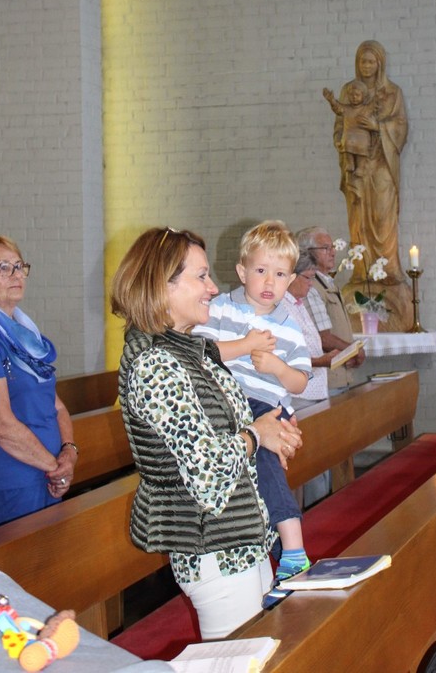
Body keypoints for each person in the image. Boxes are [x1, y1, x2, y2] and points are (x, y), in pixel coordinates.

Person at [111, 226, 303, 640]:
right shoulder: (155, 364)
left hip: (241, 536)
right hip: (212, 546)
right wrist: (257, 435)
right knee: (237, 660)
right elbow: (208, 471)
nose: (213, 288)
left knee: (263, 653)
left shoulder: (189, 351)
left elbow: (234, 426)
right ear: (161, 285)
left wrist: (273, 434)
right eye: (201, 276)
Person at [196, 220, 312, 606]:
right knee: (257, 477)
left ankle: (293, 551)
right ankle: (283, 554)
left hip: (265, 405)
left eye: (279, 274)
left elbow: (300, 381)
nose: (269, 282)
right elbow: (200, 352)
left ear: (290, 280)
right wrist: (246, 345)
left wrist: (277, 367)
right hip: (227, 403)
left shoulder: (290, 327)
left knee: (265, 464)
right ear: (242, 271)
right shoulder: (220, 309)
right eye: (261, 270)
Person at [0, 236, 78, 528]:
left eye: (19, 266)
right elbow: (0, 424)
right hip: (11, 476)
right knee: (26, 555)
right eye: (3, 267)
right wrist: (54, 467)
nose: (16, 274)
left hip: (46, 471)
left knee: (49, 552)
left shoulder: (23, 336)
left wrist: (69, 452)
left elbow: (56, 406)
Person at [330, 39, 408, 282]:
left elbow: (401, 126)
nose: (366, 66)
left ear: (380, 64)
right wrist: (343, 144)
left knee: (382, 217)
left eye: (371, 61)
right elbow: (340, 124)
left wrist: (377, 126)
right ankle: (362, 271)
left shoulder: (392, 92)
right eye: (362, 61)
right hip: (357, 166)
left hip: (382, 164)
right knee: (359, 217)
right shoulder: (348, 90)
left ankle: (388, 271)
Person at [283, 250, 333, 506]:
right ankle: (310, 510)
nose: (311, 284)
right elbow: (287, 357)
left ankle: (317, 506)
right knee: (305, 461)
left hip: (316, 389)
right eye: (308, 277)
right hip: (301, 394)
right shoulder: (282, 307)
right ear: (292, 276)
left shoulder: (298, 304)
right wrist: (322, 360)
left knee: (318, 457)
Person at [296, 226, 365, 388]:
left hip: (339, 373)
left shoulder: (325, 282)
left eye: (332, 247)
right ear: (307, 252)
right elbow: (322, 337)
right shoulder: (310, 286)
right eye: (325, 248)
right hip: (327, 378)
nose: (333, 252)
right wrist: (353, 350)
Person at [323, 80, 377, 182]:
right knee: (346, 143)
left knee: (362, 150)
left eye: (357, 95)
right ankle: (350, 163)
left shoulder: (366, 109)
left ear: (363, 96)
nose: (354, 97)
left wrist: (380, 95)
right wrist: (331, 100)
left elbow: (375, 105)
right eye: (351, 95)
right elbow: (337, 108)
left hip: (362, 136)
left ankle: (360, 167)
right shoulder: (346, 108)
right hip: (349, 135)